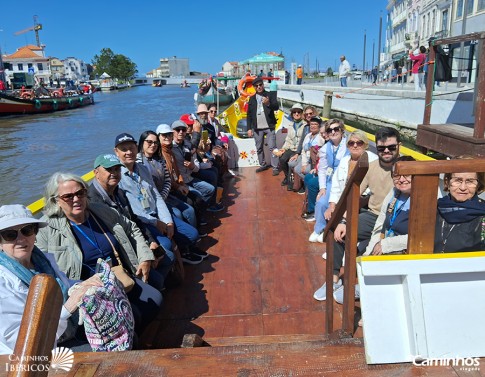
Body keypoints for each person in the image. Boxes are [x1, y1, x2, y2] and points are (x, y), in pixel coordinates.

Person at [35, 173, 163, 335]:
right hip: (90, 292)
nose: (76, 199)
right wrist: (82, 288)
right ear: (56, 201)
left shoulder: (101, 212)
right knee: (132, 316)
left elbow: (131, 228)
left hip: (119, 277)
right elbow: (48, 268)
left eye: (80, 193)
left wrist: (144, 256)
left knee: (155, 300)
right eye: (68, 196)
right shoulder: (46, 230)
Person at [0, 204, 103, 354]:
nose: (21, 239)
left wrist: (84, 284)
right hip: (38, 355)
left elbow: (65, 284)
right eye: (10, 234)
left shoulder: (43, 260)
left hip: (66, 332)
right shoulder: (3, 282)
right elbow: (21, 341)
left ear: (35, 233)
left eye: (27, 230)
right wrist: (68, 308)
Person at [313, 127, 400, 302]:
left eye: (391, 147)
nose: (386, 152)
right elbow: (355, 193)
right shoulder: (371, 166)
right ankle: (334, 279)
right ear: (377, 147)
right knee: (336, 232)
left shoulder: (405, 167)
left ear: (399, 146)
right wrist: (344, 220)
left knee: (366, 247)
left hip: (396, 218)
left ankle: (362, 286)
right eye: (382, 148)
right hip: (374, 215)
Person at [114, 133, 205, 265]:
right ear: (116, 152)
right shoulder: (117, 177)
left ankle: (183, 251)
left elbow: (156, 195)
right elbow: (132, 211)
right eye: (124, 149)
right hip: (144, 221)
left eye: (131, 148)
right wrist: (156, 223)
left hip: (157, 212)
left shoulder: (143, 169)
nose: (129, 152)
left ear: (136, 148)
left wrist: (168, 222)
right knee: (166, 246)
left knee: (192, 234)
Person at [309, 130, 376, 243]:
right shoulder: (345, 160)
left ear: (365, 144)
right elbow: (335, 184)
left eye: (359, 143)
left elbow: (370, 189)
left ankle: (333, 236)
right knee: (322, 203)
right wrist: (332, 205)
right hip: (343, 197)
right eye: (351, 143)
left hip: (360, 200)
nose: (355, 145)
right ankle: (321, 229)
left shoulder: (373, 160)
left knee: (347, 211)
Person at [364, 156, 416, 256]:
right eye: (396, 175)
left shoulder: (422, 199)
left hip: (405, 254)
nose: (401, 179)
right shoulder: (394, 193)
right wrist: (368, 254)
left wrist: (386, 244)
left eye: (406, 175)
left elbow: (419, 237)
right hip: (384, 249)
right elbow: (380, 224)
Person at [304, 119, 349, 224]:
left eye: (336, 129)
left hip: (343, 181)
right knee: (321, 201)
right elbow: (322, 169)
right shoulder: (325, 148)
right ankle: (320, 227)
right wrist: (322, 188)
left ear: (342, 130)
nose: (333, 132)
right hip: (330, 181)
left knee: (323, 199)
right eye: (329, 130)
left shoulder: (349, 145)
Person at [434, 168, 485, 253]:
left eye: (470, 181)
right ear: (447, 182)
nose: (463, 187)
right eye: (458, 180)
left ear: (478, 185)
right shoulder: (433, 209)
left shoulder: (482, 215)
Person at [246, 76, 279, 173]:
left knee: (272, 147)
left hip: (269, 126)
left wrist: (268, 103)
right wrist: (249, 128)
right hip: (257, 128)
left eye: (260, 85)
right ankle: (263, 164)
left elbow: (276, 107)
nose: (259, 87)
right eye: (256, 86)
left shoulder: (270, 95)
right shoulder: (251, 99)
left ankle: (275, 167)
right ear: (254, 88)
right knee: (259, 148)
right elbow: (249, 115)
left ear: (263, 85)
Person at [274, 103, 307, 188]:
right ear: (292, 114)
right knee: (282, 159)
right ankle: (286, 177)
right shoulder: (290, 125)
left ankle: (290, 182)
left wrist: (298, 152)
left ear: (301, 113)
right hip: (291, 148)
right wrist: (284, 149)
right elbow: (288, 139)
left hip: (299, 149)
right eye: (294, 112)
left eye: (299, 112)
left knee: (290, 162)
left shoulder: (305, 125)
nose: (296, 114)